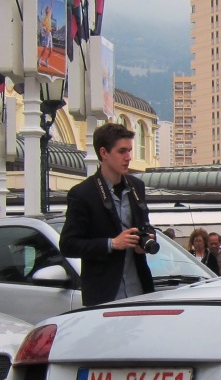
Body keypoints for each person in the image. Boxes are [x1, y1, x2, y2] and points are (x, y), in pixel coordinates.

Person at [59, 122, 156, 308]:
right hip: (104, 296)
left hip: (140, 293)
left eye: (129, 150)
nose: (128, 157)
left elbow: (145, 224)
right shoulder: (82, 194)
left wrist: (147, 238)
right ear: (104, 153)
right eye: (122, 151)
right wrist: (112, 243)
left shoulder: (137, 186)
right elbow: (68, 245)